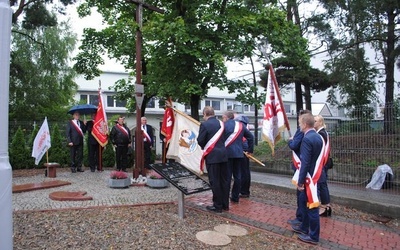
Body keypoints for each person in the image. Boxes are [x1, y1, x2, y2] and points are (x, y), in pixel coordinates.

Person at [291, 112, 324, 245]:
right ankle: (304, 228)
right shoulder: (318, 137)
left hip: (309, 178)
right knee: (306, 203)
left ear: (305, 124)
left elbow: (305, 162)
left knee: (312, 206)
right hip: (316, 175)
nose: (299, 126)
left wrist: (300, 181)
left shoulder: (307, 139)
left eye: (300, 123)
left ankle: (314, 236)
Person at [197, 106, 229, 213]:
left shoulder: (205, 124)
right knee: (224, 181)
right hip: (224, 155)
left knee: (215, 181)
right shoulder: (221, 124)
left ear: (205, 114)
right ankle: (225, 204)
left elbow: (200, 140)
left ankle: (217, 206)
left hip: (212, 156)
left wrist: (204, 147)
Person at [287, 109, 312, 226]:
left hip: (301, 166)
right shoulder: (313, 133)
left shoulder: (302, 132)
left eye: (299, 120)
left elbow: (294, 145)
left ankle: (301, 217)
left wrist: (290, 141)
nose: (298, 122)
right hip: (306, 167)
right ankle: (303, 217)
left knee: (301, 193)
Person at [224, 110, 254, 204]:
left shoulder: (223, 125)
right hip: (239, 153)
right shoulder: (241, 126)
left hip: (227, 154)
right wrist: (250, 150)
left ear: (226, 117)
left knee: (227, 177)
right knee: (238, 176)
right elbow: (251, 137)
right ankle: (235, 196)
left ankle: (225, 197)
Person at [314, 115, 332, 216]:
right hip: (324, 162)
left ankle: (325, 207)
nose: (314, 123)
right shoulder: (323, 133)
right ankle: (326, 206)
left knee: (322, 185)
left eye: (315, 121)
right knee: (323, 184)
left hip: (321, 163)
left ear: (320, 122)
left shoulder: (321, 134)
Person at [235, 115, 253, 198]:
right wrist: (250, 150)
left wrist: (249, 151)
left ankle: (243, 191)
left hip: (242, 149)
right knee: (245, 171)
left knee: (242, 172)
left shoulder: (240, 127)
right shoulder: (245, 127)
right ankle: (244, 191)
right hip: (245, 149)